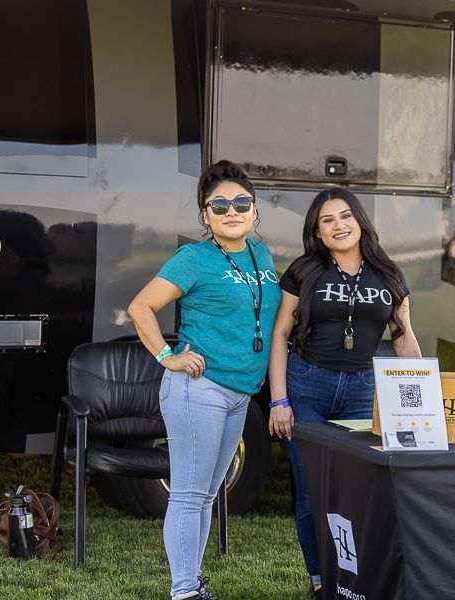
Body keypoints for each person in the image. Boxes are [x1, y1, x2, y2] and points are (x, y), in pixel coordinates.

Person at [128, 160, 281, 600]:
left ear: (255, 210)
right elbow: (141, 307)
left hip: (239, 394)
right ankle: (184, 590)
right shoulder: (193, 258)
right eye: (219, 205)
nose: (231, 211)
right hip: (200, 390)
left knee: (208, 494)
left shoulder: (261, 255)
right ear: (205, 216)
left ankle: (192, 584)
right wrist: (167, 356)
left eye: (240, 203)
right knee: (190, 493)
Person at [268, 188, 421, 595]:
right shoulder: (304, 271)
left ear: (360, 221)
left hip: (362, 390)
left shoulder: (387, 272)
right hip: (307, 387)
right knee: (310, 489)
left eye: (345, 216)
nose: (339, 225)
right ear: (317, 232)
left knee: (360, 491)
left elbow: (403, 338)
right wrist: (279, 400)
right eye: (328, 220)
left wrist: (421, 394)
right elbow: (280, 334)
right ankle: (320, 580)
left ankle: (355, 577)